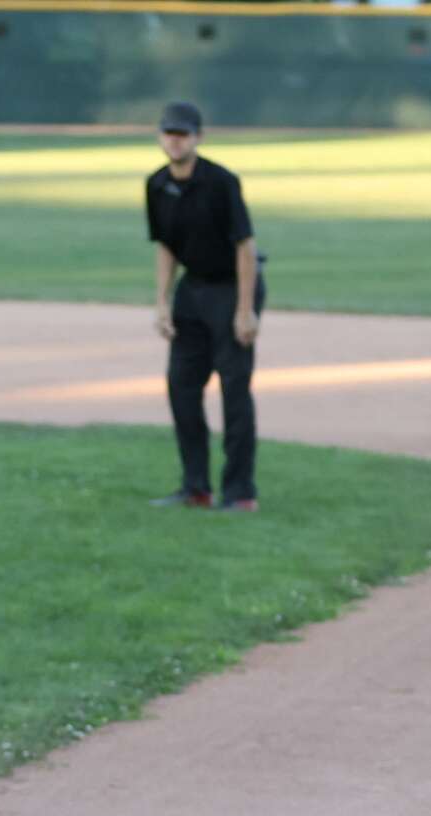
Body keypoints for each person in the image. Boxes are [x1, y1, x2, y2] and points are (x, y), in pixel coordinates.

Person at [147, 100, 265, 513]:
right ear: (160, 137)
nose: (175, 141)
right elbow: (166, 246)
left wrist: (245, 309)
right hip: (192, 289)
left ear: (198, 137)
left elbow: (245, 247)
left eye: (183, 134)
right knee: (181, 386)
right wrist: (162, 302)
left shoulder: (221, 182)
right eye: (169, 133)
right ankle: (195, 488)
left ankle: (240, 492)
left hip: (233, 286)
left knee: (234, 389)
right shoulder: (156, 184)